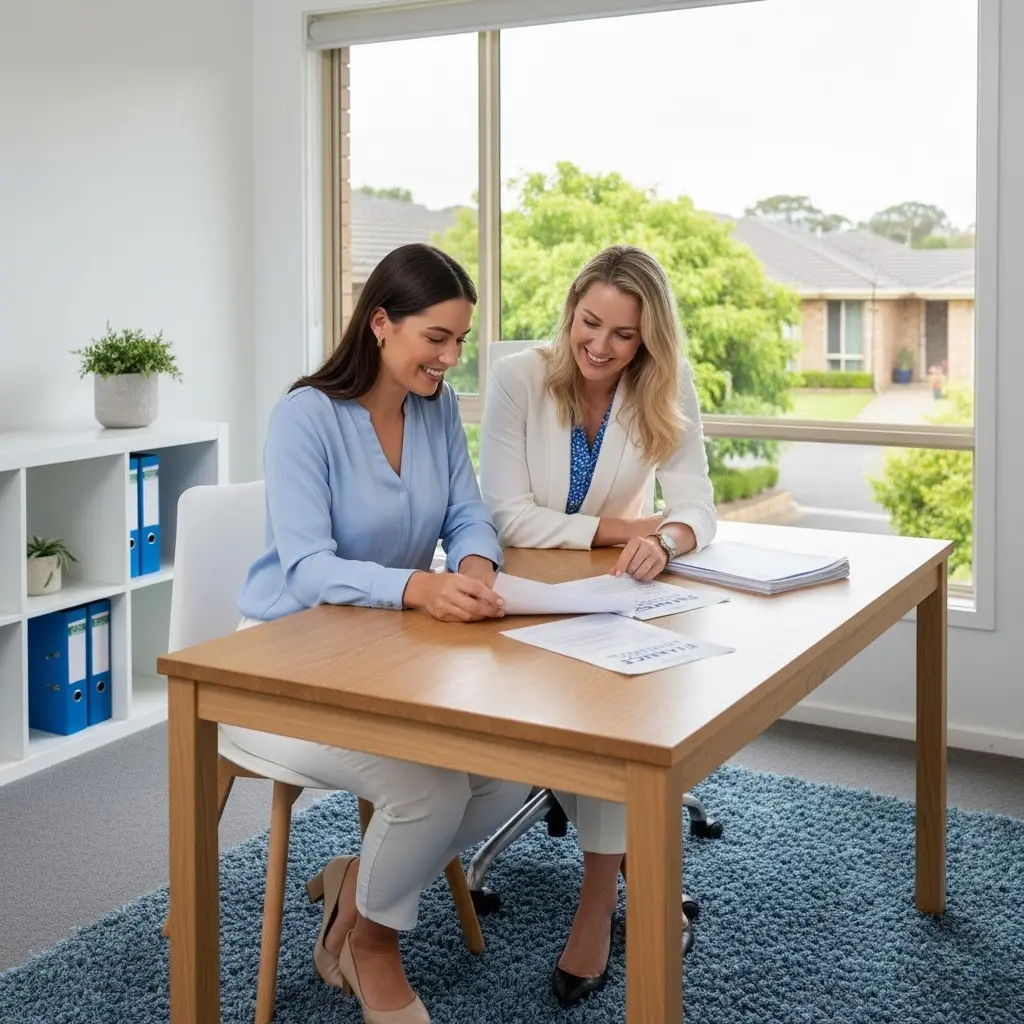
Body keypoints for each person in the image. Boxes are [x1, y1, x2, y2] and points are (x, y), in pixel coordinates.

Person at [230, 243, 530, 1024]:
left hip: (388, 657)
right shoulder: (305, 418)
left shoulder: (434, 413)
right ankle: (371, 947)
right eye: (437, 338)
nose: (451, 358)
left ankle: (357, 891)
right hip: (278, 666)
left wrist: (473, 566)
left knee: (505, 769)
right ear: (381, 324)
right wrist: (419, 586)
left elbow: (468, 512)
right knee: (427, 789)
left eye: (460, 340)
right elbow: (305, 569)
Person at [478, 244, 717, 1008]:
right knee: (605, 714)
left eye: (625, 335)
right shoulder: (518, 377)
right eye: (591, 323)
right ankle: (643, 885)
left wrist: (667, 538)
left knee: (620, 708)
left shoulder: (665, 388)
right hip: (524, 601)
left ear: (648, 339)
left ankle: (596, 904)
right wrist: (622, 530)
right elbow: (505, 514)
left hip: (611, 602)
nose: (602, 347)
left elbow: (698, 508)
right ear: (571, 306)